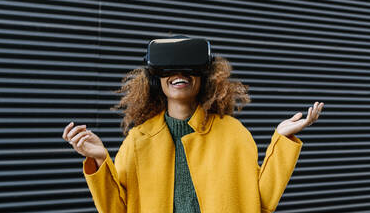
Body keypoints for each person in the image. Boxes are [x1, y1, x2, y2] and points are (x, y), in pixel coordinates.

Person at [62, 36, 324, 213]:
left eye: (189, 68)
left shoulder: (233, 134)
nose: (179, 75)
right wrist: (99, 160)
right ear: (155, 80)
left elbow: (260, 201)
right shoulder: (138, 140)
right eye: (168, 69)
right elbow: (117, 209)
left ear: (205, 77)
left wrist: (281, 140)